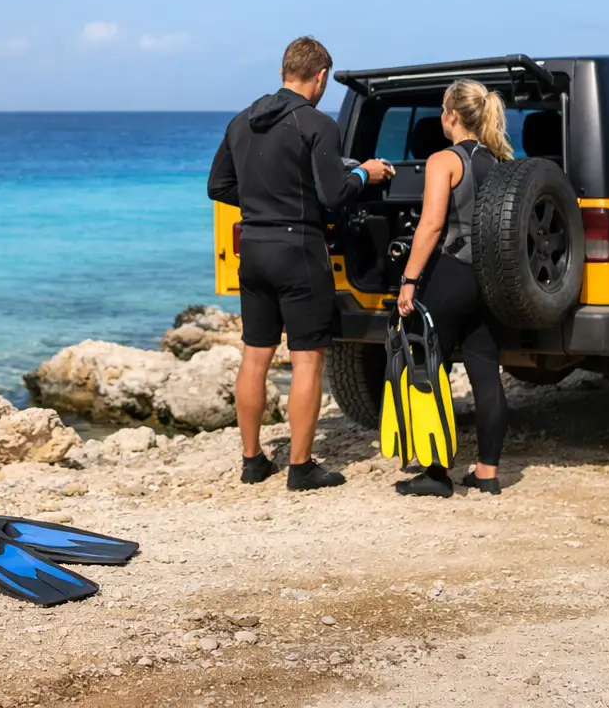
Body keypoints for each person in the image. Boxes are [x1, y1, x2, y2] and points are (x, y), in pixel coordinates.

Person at [208, 37, 395, 490]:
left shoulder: (241, 122)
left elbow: (218, 185)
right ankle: (301, 467)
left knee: (256, 354)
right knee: (307, 357)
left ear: (282, 73)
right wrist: (363, 174)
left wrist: (259, 201)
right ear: (321, 77)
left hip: (252, 247)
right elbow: (334, 193)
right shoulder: (317, 124)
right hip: (299, 247)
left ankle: (252, 461)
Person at [394, 79, 514, 497]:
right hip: (490, 279)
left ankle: (435, 473)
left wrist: (409, 280)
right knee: (485, 372)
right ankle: (486, 472)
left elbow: (431, 225)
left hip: (449, 274)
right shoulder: (499, 163)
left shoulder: (443, 160)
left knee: (430, 369)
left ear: (452, 116)